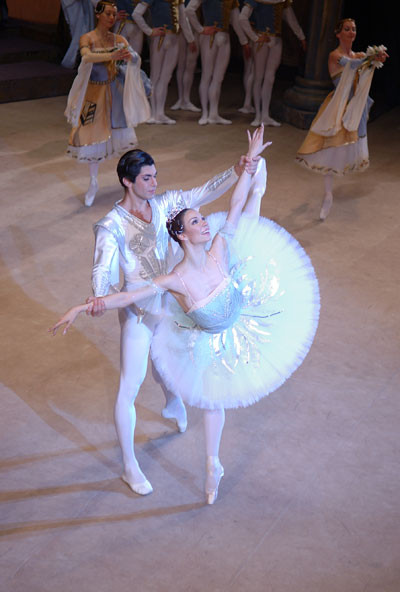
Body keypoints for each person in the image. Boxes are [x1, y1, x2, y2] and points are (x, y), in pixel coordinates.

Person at [51, 126, 320, 505]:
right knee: (130, 383)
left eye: (155, 176)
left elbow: (207, 193)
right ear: (128, 182)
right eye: (147, 178)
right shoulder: (111, 226)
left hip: (178, 301)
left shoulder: (167, 204)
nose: (154, 183)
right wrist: (95, 301)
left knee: (172, 370)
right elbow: (102, 271)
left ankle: (173, 401)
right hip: (141, 309)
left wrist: (240, 168)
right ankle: (129, 465)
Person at [295, 18, 388, 220]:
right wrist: (371, 58)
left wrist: (377, 57)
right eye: (347, 29)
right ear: (338, 34)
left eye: (353, 29)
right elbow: (351, 65)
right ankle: (328, 194)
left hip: (354, 109)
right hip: (337, 108)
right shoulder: (335, 56)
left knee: (343, 151)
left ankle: (330, 193)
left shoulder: (359, 55)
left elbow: (364, 64)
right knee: (331, 150)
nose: (351, 32)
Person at [65, 0, 151, 207]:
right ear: (98, 15)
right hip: (93, 95)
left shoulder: (119, 39)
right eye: (108, 14)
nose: (112, 18)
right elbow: (86, 57)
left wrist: (130, 57)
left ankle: (129, 181)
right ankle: (93, 181)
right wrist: (111, 55)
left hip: (115, 95)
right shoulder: (88, 38)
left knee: (122, 137)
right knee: (90, 138)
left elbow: (134, 59)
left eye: (114, 14)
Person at [239, 0, 306, 127]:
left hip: (276, 40)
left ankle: (265, 114)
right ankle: (258, 114)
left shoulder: (282, 2)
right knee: (258, 77)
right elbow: (242, 18)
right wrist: (255, 37)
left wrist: (301, 36)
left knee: (270, 78)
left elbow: (291, 19)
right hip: (262, 40)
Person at [185, 0, 250, 125]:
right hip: (209, 36)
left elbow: (235, 20)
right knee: (207, 75)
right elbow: (189, 10)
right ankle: (205, 113)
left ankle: (213, 113)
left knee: (218, 78)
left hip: (224, 36)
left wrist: (244, 41)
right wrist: (200, 29)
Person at [132, 0, 196, 124]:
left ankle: (160, 113)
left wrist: (190, 39)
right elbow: (136, 14)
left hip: (174, 39)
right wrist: (150, 31)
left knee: (166, 77)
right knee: (155, 76)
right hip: (159, 39)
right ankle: (152, 113)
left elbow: (183, 18)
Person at [170, 0, 201, 113]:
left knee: (190, 65)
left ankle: (186, 99)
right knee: (181, 65)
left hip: (194, 29)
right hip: (181, 30)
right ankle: (181, 98)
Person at [61, 0, 95, 69]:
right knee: (79, 32)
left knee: (82, 32)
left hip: (81, 4)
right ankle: (70, 61)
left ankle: (76, 61)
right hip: (73, 4)